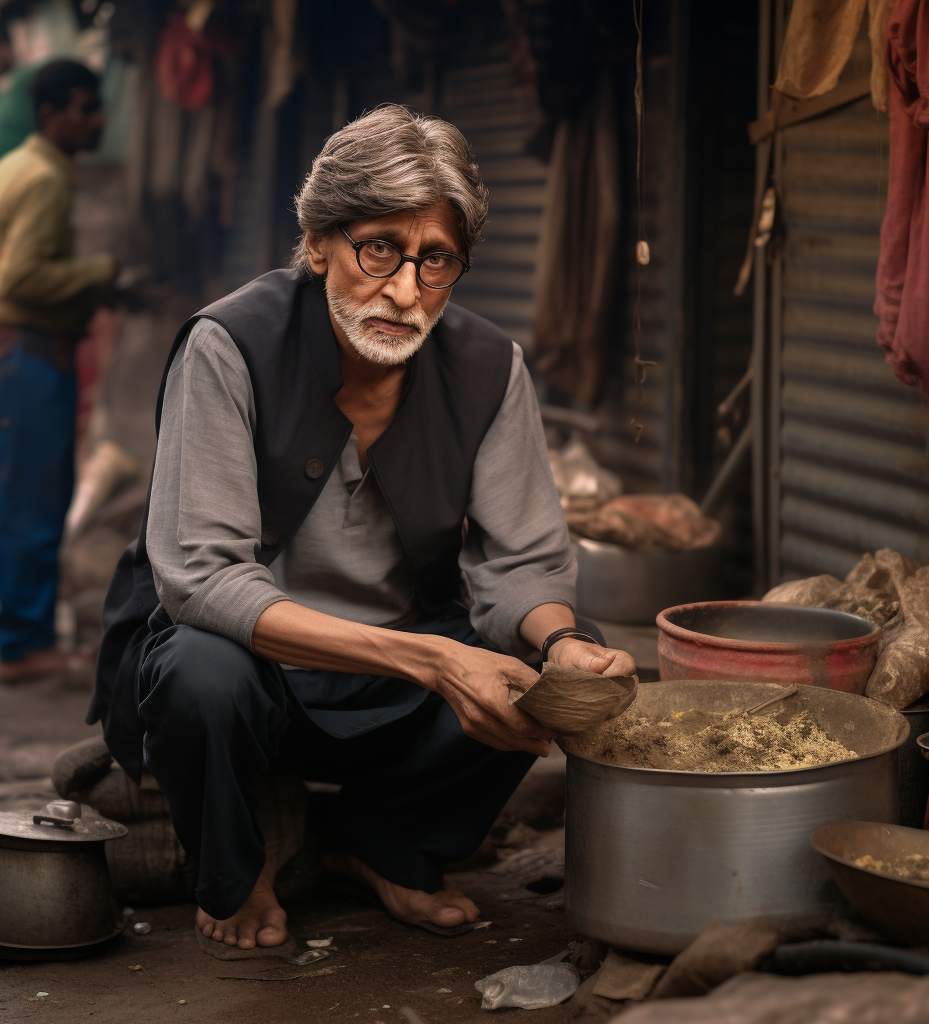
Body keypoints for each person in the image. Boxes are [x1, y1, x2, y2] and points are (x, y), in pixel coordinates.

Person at [89, 104, 635, 950]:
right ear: (318, 243)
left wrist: (563, 647)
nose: (406, 291)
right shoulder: (230, 345)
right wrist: (437, 659)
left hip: (392, 675)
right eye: (378, 247)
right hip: (256, 663)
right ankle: (237, 869)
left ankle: (381, 841)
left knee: (536, 669)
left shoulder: (490, 368)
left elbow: (521, 564)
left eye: (436, 261)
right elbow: (200, 578)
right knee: (199, 673)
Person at [0, 60, 116, 682]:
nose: (96, 120)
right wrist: (99, 273)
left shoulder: (18, 165)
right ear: (51, 114)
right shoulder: (45, 177)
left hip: (20, 352)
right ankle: (20, 644)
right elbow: (18, 276)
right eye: (84, 107)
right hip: (33, 355)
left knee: (16, 494)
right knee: (33, 501)